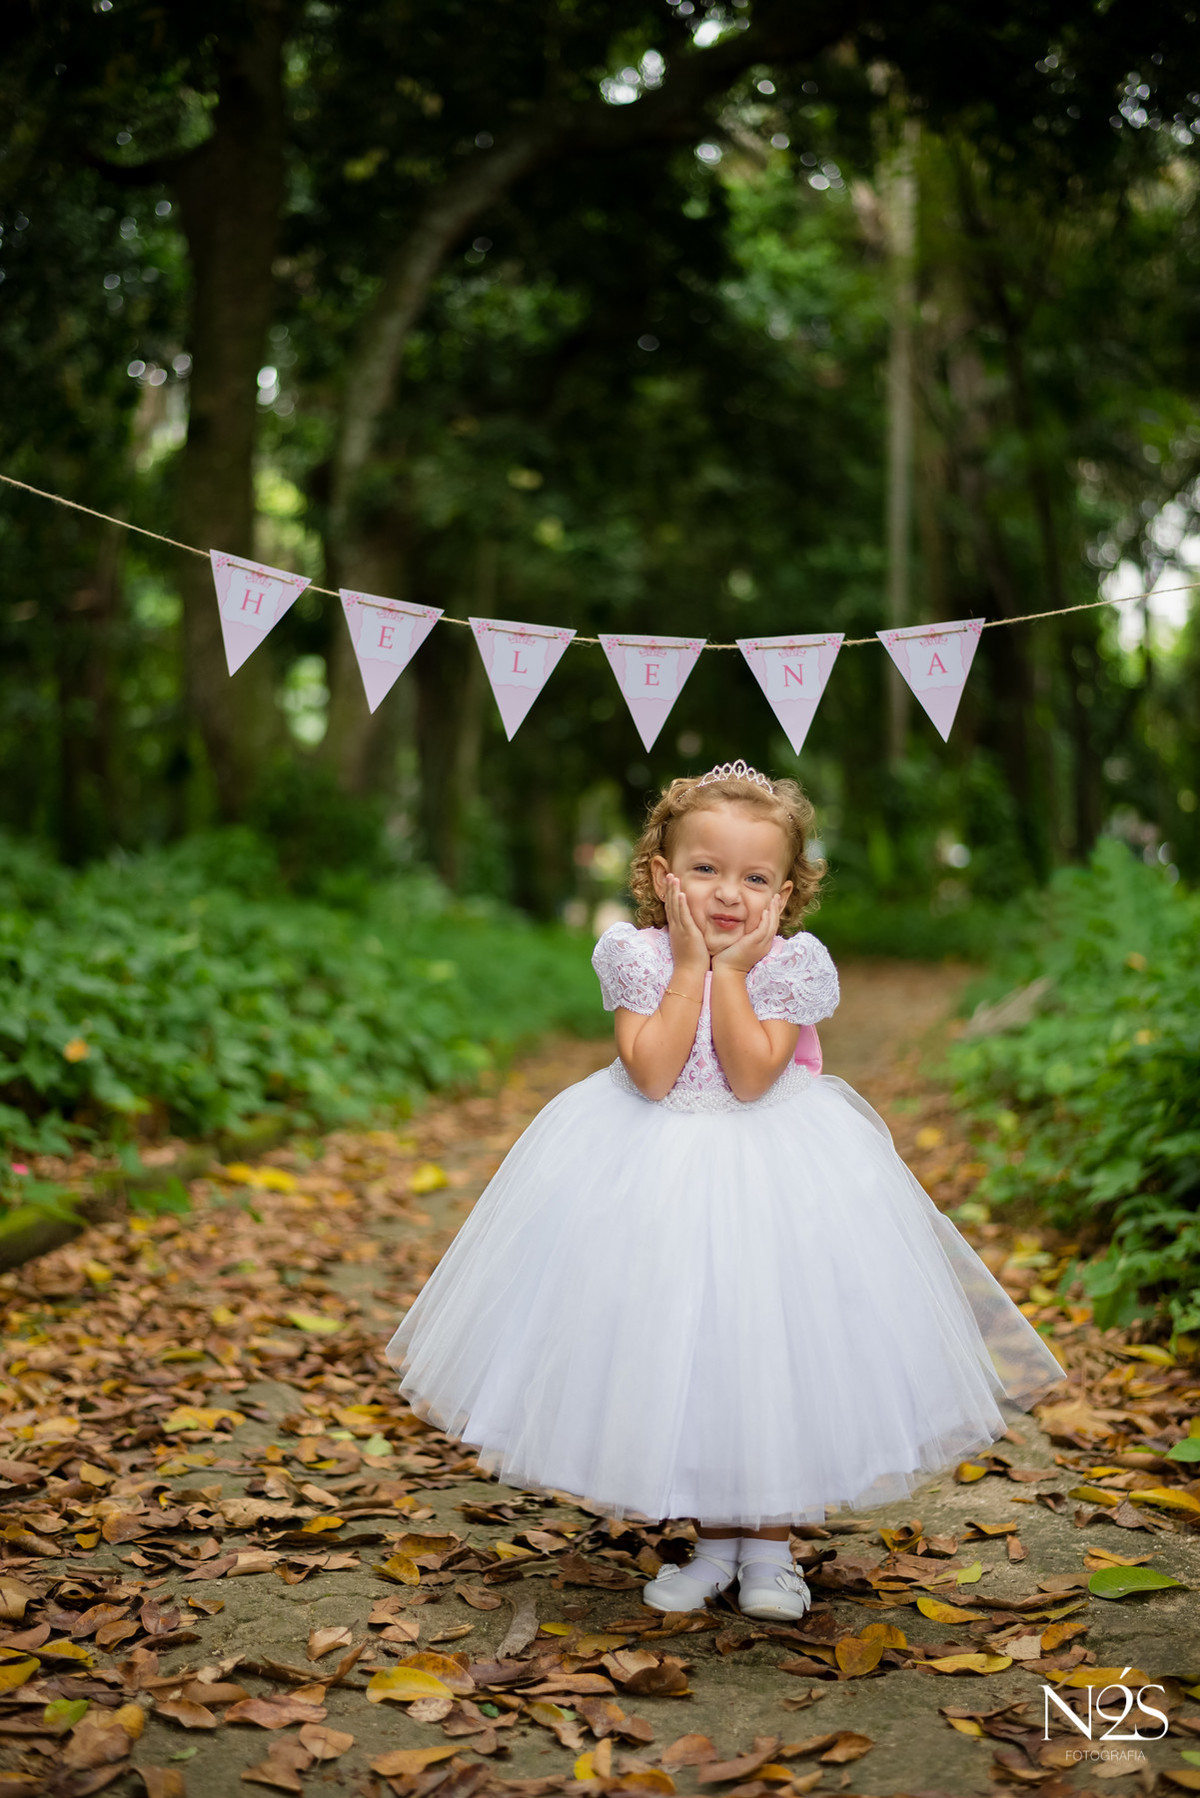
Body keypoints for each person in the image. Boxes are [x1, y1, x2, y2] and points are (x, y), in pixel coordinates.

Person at [386, 761, 1062, 1622]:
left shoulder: (792, 966)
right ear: (664, 879)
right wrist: (689, 964)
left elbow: (749, 1079)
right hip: (650, 1170)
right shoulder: (634, 954)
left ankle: (773, 1551)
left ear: (787, 891)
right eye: (705, 871)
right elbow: (657, 1071)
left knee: (766, 1346)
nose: (729, 893)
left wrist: (733, 972)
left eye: (756, 877)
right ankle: (713, 1546)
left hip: (774, 1172)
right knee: (693, 1350)